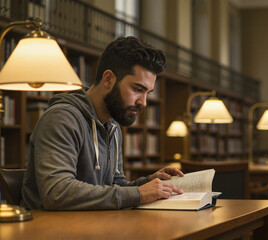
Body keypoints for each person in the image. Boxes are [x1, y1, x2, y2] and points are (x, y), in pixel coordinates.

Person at [21, 36, 184, 210]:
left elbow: (115, 185)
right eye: (138, 89)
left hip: (91, 226)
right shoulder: (61, 119)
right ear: (108, 79)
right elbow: (57, 192)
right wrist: (139, 194)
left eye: (148, 93)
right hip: (47, 230)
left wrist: (149, 184)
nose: (143, 102)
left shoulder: (113, 126)